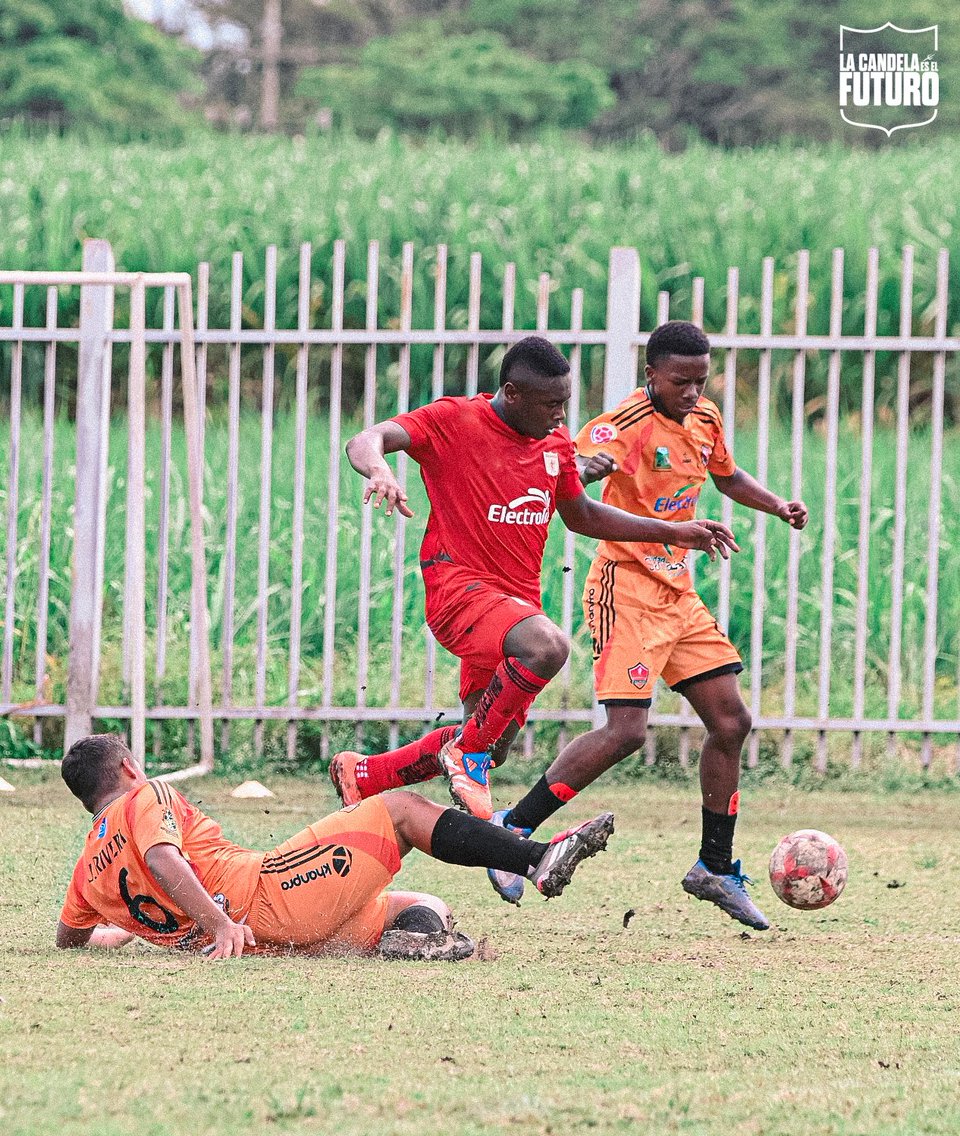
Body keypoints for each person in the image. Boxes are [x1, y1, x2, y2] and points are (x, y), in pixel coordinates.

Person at [330, 335, 737, 822]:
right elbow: (365, 439)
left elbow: (582, 515)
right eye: (551, 405)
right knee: (547, 647)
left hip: (513, 606)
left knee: (490, 739)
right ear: (512, 393)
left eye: (565, 404)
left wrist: (674, 531)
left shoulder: (555, 442)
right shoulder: (454, 420)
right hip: (458, 590)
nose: (562, 417)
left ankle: (367, 775)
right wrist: (380, 471)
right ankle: (467, 759)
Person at [486, 321, 808, 929]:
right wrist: (584, 467)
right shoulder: (625, 424)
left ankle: (714, 865)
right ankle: (513, 830)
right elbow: (569, 464)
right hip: (625, 590)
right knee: (628, 731)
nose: (691, 392)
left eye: (700, 381)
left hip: (677, 594)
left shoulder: (706, 418)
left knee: (731, 720)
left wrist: (776, 504)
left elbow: (726, 475)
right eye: (680, 381)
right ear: (651, 375)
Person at [55, 733, 615, 961]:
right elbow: (162, 858)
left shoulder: (86, 870)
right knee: (398, 810)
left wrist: (130, 933)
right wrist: (220, 923)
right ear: (129, 767)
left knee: (426, 907)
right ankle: (535, 859)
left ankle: (415, 945)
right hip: (267, 899)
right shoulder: (144, 797)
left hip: (274, 939)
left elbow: (70, 941)